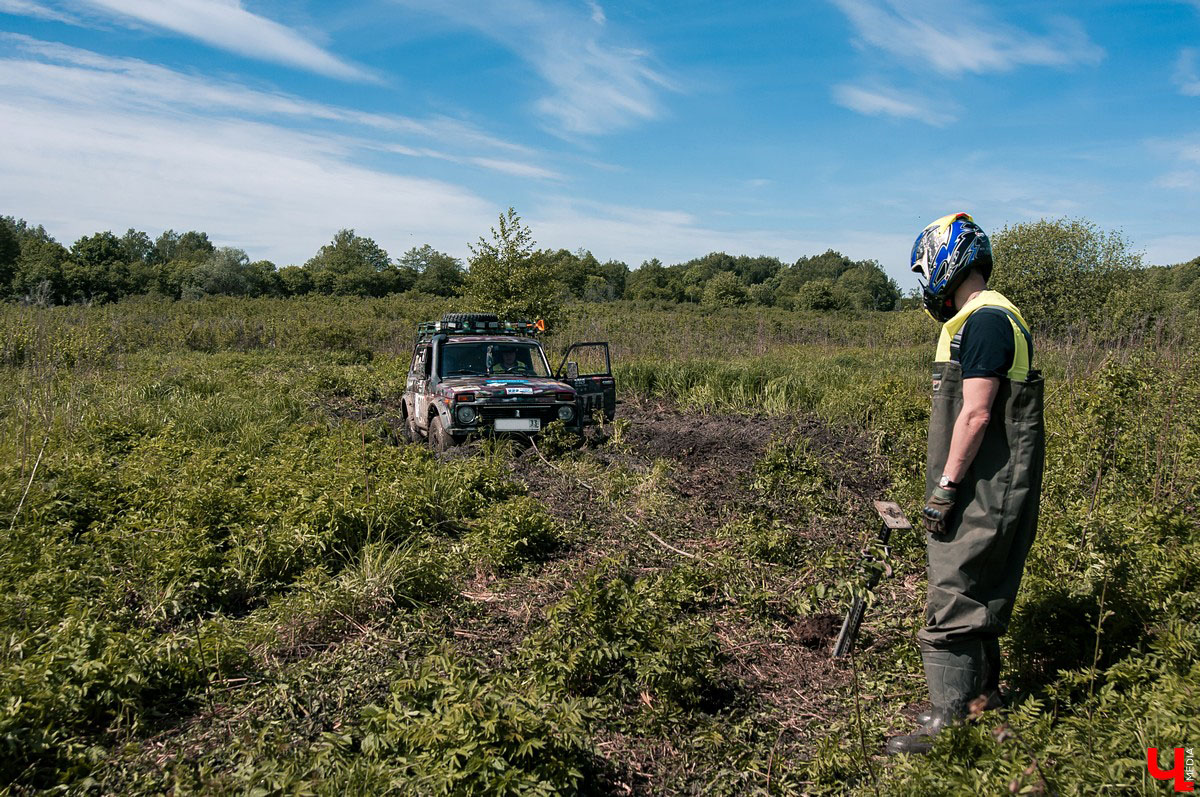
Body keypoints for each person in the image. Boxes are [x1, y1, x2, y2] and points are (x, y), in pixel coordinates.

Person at [887, 212, 1045, 755]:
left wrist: (946, 486)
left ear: (945, 262)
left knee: (952, 586)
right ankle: (986, 702)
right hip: (995, 483)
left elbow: (976, 414)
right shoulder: (992, 317)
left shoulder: (984, 321)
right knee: (979, 588)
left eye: (924, 270)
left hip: (983, 485)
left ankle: (946, 728)